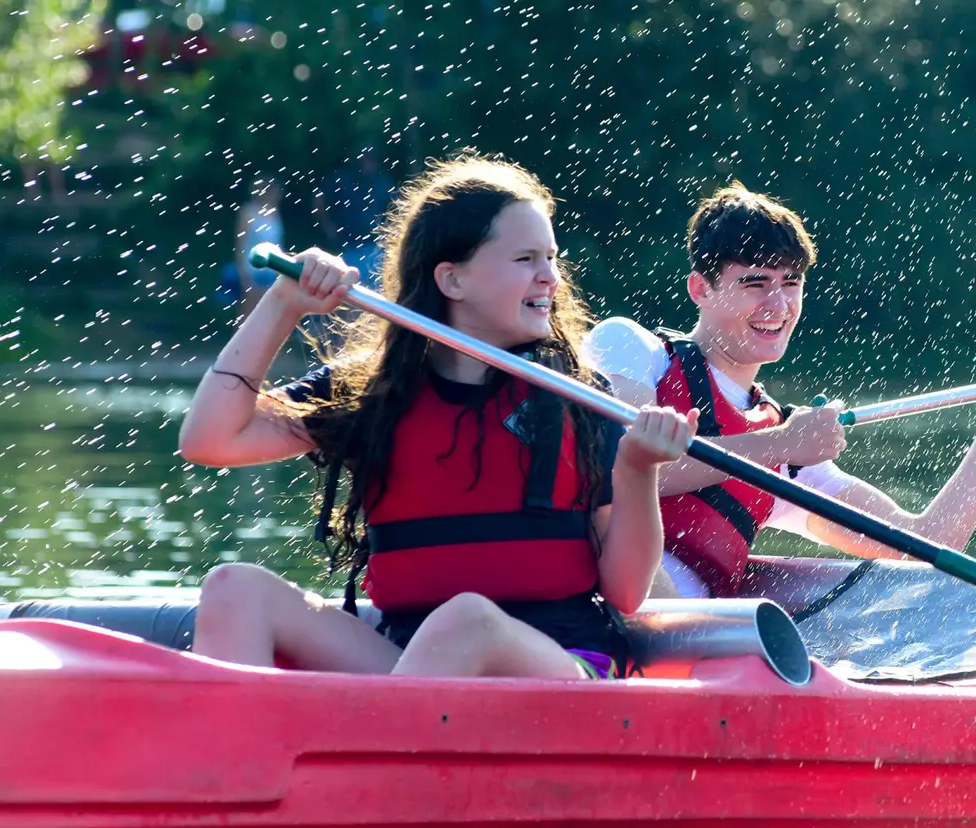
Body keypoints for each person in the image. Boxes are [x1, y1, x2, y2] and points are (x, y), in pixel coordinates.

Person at [178, 154, 697, 680]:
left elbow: (628, 593)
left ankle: (371, 748)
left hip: (560, 666)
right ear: (451, 280)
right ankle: (242, 763)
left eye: (551, 258)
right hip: (409, 662)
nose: (550, 278)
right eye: (525, 259)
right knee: (235, 589)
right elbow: (211, 440)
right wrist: (283, 305)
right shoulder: (371, 393)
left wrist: (637, 469)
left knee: (466, 622)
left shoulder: (580, 399)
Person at [582, 183, 976, 598]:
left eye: (790, 282)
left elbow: (927, 541)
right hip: (607, 600)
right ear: (700, 290)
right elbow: (618, 463)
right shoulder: (629, 348)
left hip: (684, 639)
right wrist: (783, 445)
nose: (777, 304)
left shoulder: (795, 461)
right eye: (755, 283)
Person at [315, 148, 399, 286]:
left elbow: (396, 208)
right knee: (349, 292)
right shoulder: (344, 180)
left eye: (371, 159)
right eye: (365, 159)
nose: (368, 163)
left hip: (376, 248)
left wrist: (391, 234)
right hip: (349, 246)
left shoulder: (382, 183)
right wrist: (329, 228)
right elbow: (319, 201)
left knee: (378, 294)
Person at [234, 179, 286, 315]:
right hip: (252, 269)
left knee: (269, 313)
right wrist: (243, 274)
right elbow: (241, 245)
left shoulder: (275, 213)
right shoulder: (248, 212)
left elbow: (277, 244)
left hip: (271, 270)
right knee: (248, 313)